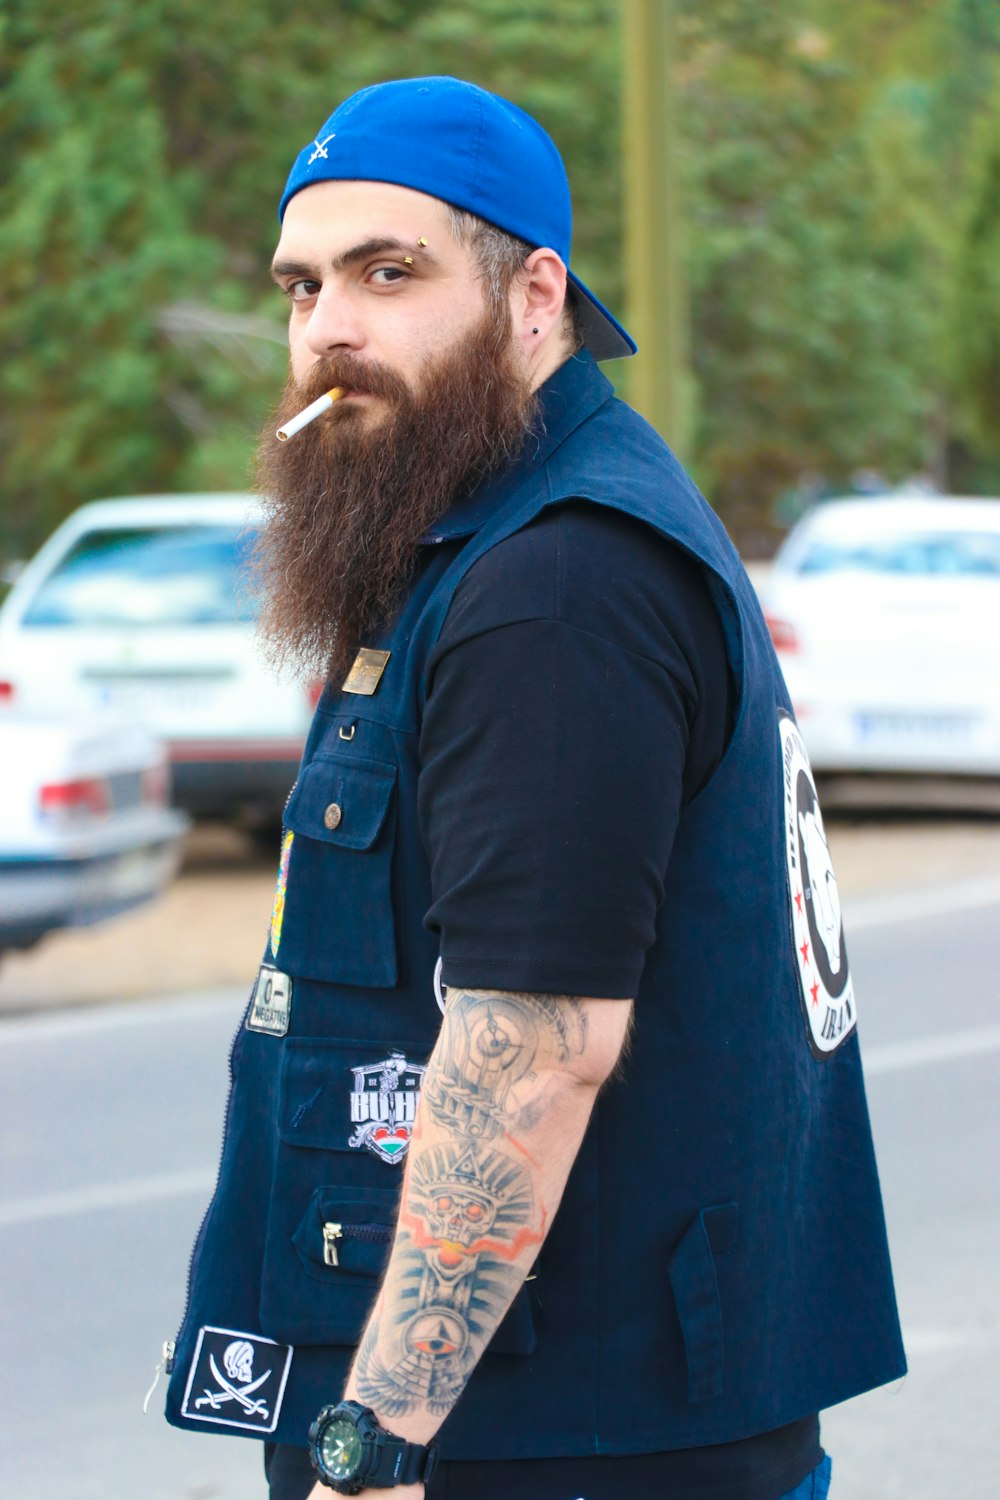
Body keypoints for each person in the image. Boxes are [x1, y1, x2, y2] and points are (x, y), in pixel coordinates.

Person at [163, 76, 905, 1500]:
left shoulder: (556, 583)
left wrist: (375, 1442)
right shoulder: (492, 531)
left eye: (392, 274)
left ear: (534, 298)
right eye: (301, 285)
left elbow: (535, 1047)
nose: (330, 329)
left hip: (554, 1440)